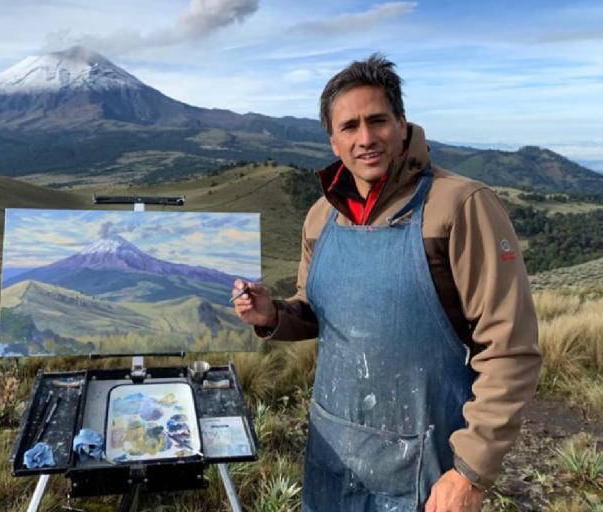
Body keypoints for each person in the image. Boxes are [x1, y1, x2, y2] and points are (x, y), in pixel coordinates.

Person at [232, 54, 541, 512]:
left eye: (377, 120)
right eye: (349, 127)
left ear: (401, 124)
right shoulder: (322, 216)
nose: (365, 138)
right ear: (333, 141)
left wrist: (470, 473)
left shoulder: (460, 206)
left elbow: (510, 349)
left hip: (428, 471)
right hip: (334, 459)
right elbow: (317, 310)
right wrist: (273, 315)